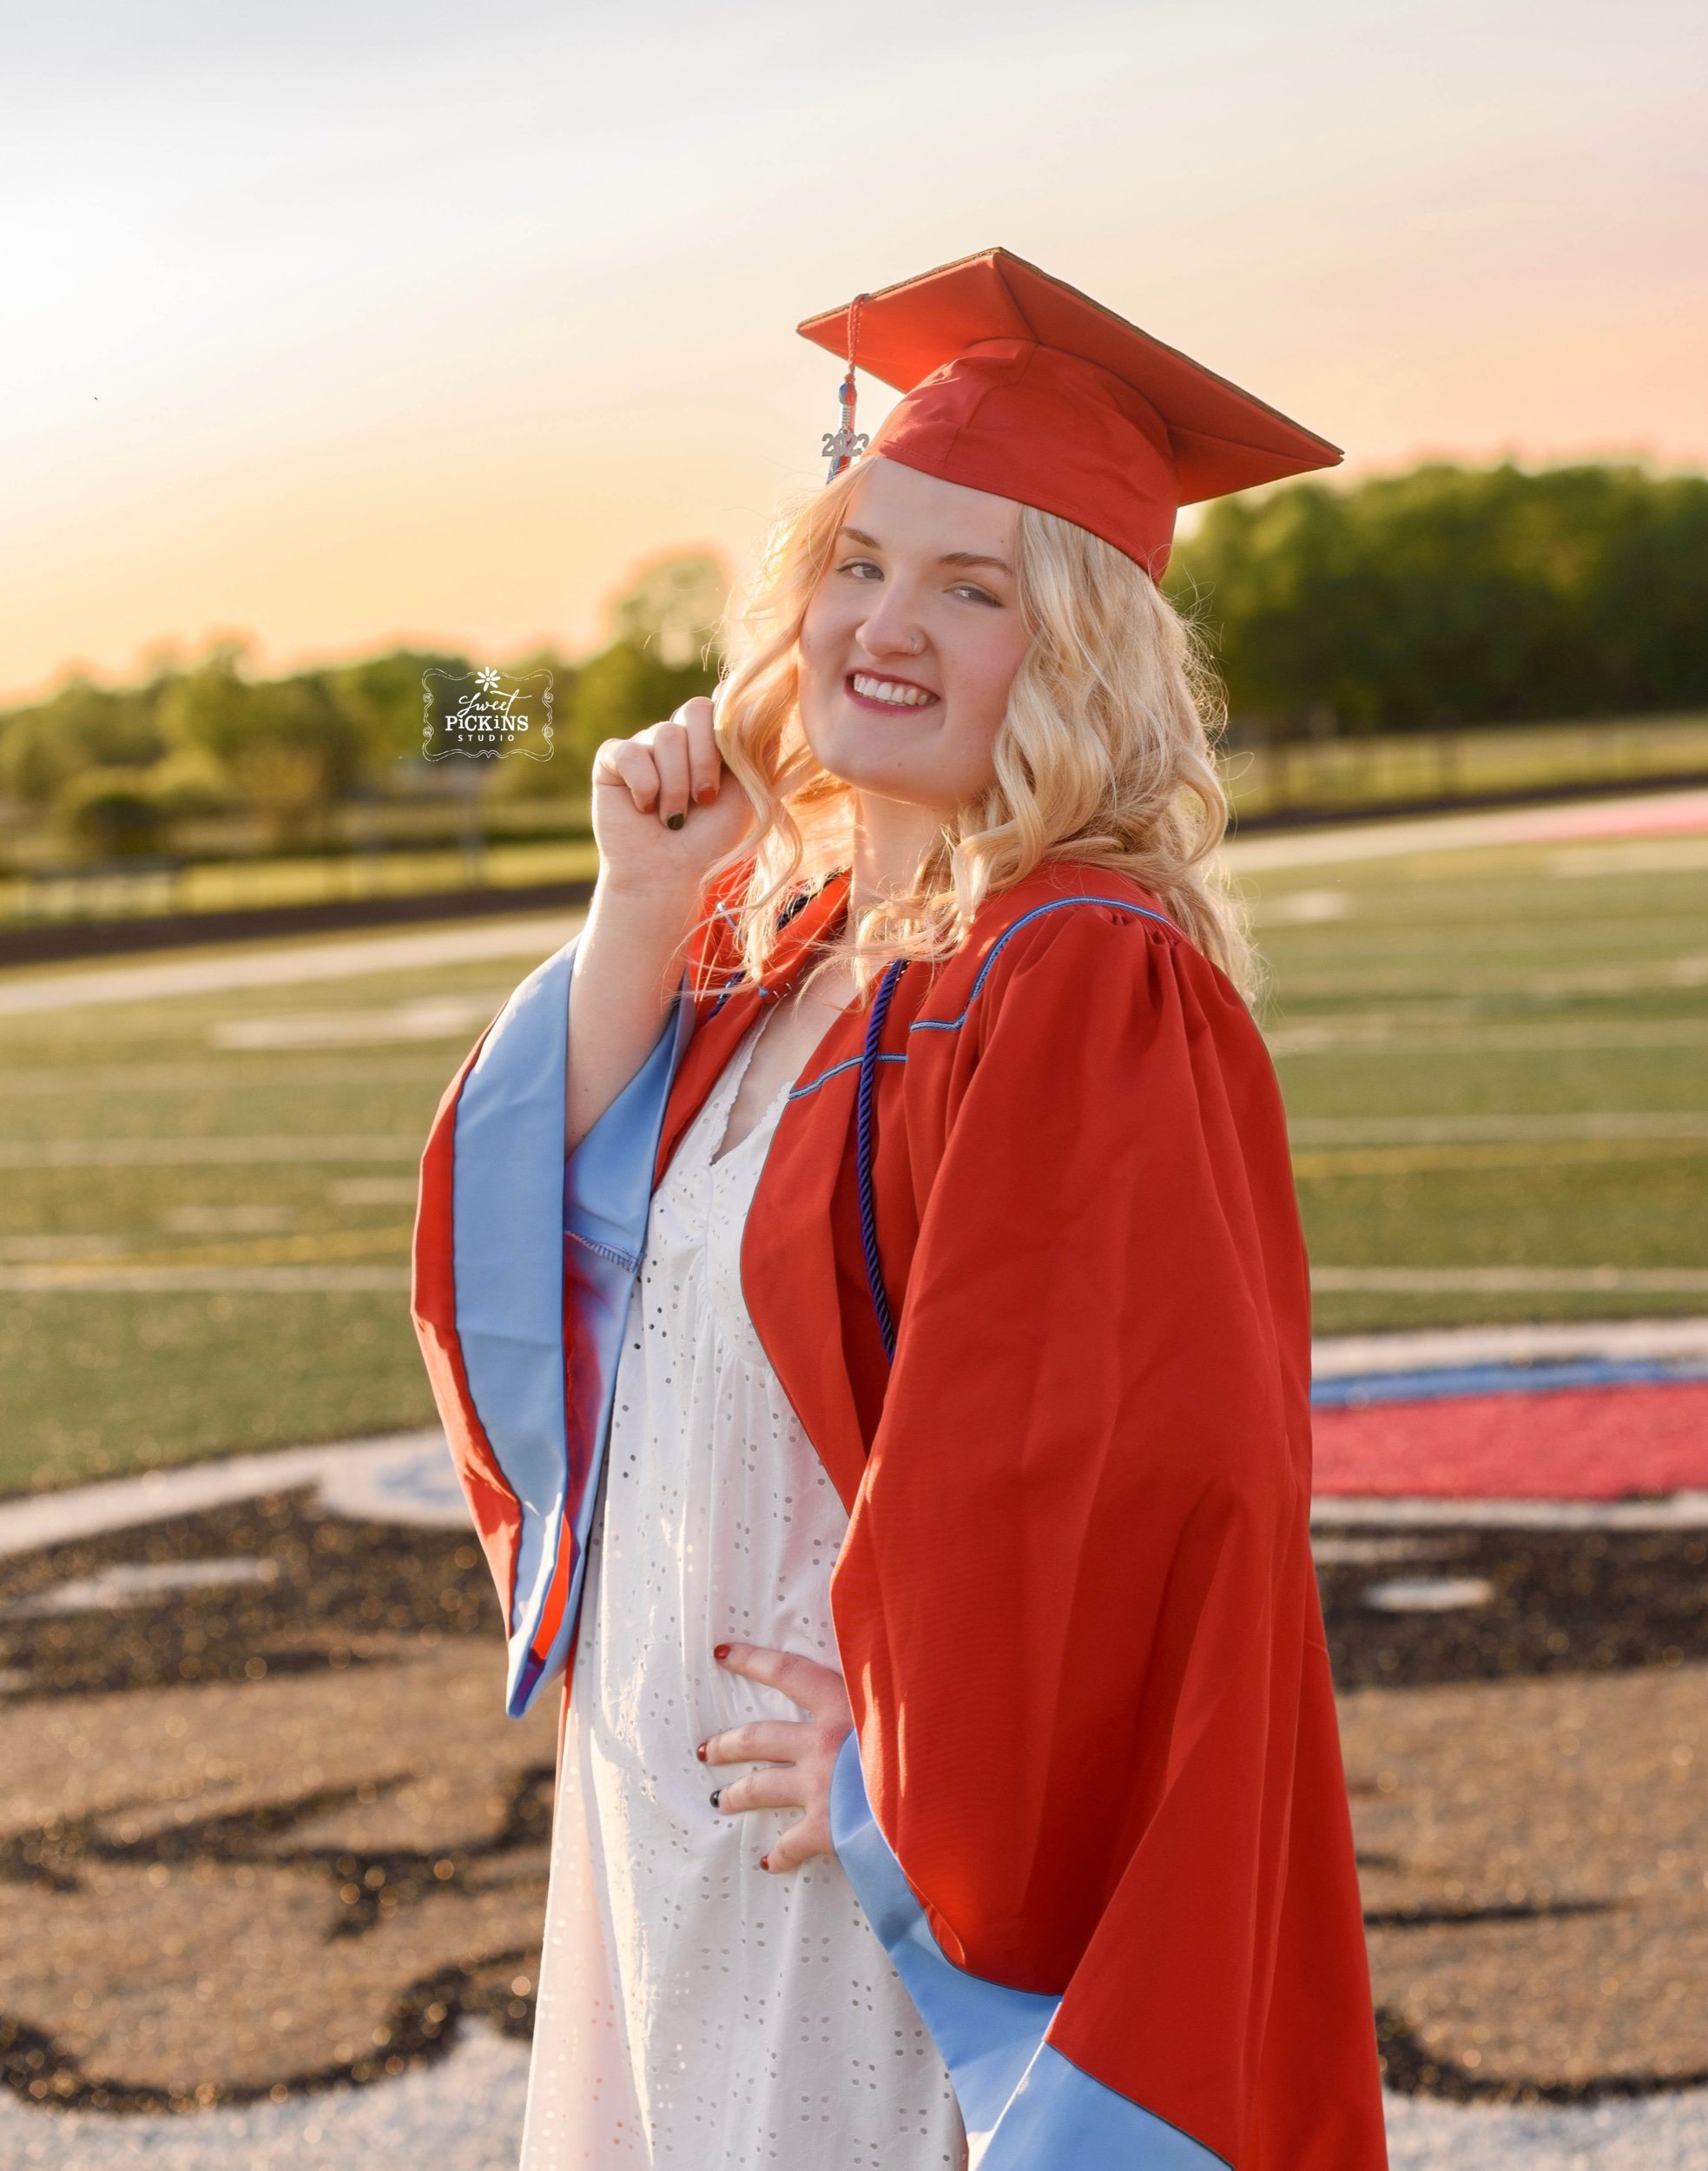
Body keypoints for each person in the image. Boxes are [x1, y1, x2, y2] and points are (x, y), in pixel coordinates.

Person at [413, 248, 1389, 2170]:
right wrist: (639, 902)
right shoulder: (765, 955)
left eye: (973, 587)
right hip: (665, 1798)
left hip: (868, 1864)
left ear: (1078, 651)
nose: (887, 621)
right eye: (860, 562)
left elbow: (1121, 1470)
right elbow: (537, 1255)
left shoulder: (1073, 973)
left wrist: (907, 1778)